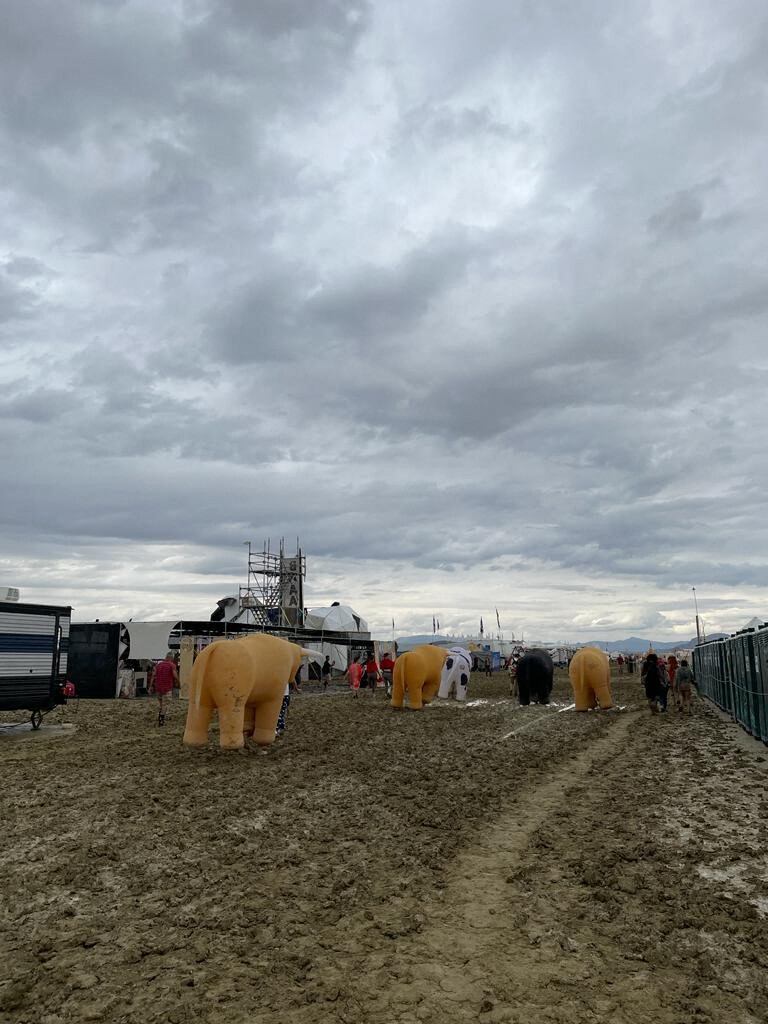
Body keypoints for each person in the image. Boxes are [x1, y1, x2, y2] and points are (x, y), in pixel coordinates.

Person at [151, 652, 178, 726]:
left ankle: (161, 716)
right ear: (171, 658)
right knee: (165, 704)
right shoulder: (172, 665)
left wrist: (150, 686)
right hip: (167, 687)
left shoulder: (158, 665)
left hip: (158, 687)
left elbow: (153, 676)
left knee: (161, 704)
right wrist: (179, 682)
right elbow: (175, 676)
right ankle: (161, 720)